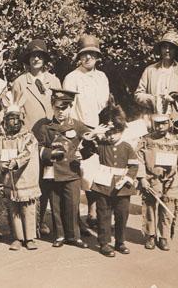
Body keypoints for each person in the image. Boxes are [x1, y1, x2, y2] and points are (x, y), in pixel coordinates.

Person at [6, 39, 61, 235]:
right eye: (32, 56)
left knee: (49, 181)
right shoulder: (20, 82)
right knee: (31, 180)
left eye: (40, 55)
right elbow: (14, 112)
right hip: (29, 139)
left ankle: (44, 221)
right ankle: (31, 225)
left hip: (50, 137)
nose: (36, 59)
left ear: (45, 59)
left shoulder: (54, 81)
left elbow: (59, 107)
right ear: (27, 60)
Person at [63, 34, 110, 229]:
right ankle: (75, 218)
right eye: (84, 54)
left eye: (92, 54)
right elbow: (68, 107)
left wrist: (100, 130)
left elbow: (104, 104)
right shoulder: (72, 78)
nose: (88, 58)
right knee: (75, 172)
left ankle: (92, 211)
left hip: (96, 129)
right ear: (79, 57)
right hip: (75, 130)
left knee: (93, 172)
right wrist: (77, 131)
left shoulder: (101, 77)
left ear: (97, 57)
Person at [36, 88, 91, 249]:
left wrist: (84, 154)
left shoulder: (78, 126)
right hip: (52, 172)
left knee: (72, 205)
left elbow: (92, 143)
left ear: (70, 107)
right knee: (56, 205)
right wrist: (49, 153)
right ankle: (59, 235)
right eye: (57, 107)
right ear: (52, 106)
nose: (60, 112)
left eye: (64, 108)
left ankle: (74, 236)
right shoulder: (45, 127)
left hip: (71, 172)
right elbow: (38, 147)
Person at [83, 104, 139, 257]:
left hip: (123, 188)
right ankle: (104, 243)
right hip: (102, 186)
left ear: (122, 131)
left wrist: (128, 178)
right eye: (109, 132)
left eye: (116, 132)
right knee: (103, 214)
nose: (112, 136)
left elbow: (134, 166)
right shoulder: (101, 144)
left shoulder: (127, 147)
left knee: (122, 215)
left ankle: (120, 242)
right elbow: (84, 148)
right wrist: (94, 133)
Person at [137, 114, 178, 251]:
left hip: (172, 179)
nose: (160, 127)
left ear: (169, 123)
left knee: (167, 207)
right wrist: (142, 179)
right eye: (157, 124)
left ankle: (163, 237)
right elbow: (139, 160)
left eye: (163, 123)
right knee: (150, 207)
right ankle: (150, 235)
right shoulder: (146, 140)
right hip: (152, 178)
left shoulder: (176, 141)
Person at [0, 104, 41, 251]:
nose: (14, 122)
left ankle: (30, 238)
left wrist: (15, 162)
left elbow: (27, 153)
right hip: (10, 180)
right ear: (5, 120)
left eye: (17, 118)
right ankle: (17, 237)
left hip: (26, 177)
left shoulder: (29, 137)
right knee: (13, 209)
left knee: (28, 208)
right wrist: (1, 164)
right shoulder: (1, 137)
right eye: (11, 118)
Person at [135, 30, 178, 115]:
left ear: (176, 51)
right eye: (164, 47)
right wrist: (153, 99)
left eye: (171, 48)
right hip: (154, 120)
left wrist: (174, 101)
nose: (167, 50)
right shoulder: (150, 70)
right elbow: (138, 94)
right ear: (160, 49)